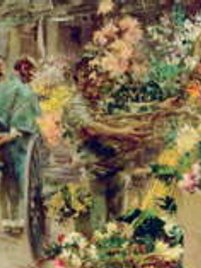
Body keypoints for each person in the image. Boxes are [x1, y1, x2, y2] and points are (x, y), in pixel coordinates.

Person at [62, 58, 147, 230]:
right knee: (97, 223)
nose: (93, 82)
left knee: (118, 220)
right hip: (90, 170)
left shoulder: (101, 102)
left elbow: (131, 109)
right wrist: (122, 133)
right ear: (77, 80)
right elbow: (92, 128)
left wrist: (161, 106)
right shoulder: (75, 104)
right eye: (85, 77)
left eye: (95, 77)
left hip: (114, 166)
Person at [0, 56, 41, 233]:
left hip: (0, 142)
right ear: (23, 68)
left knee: (6, 180)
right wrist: (15, 132)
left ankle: (7, 220)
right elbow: (31, 119)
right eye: (32, 70)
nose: (33, 75)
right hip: (18, 143)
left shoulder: (3, 86)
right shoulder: (25, 91)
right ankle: (17, 221)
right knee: (19, 179)